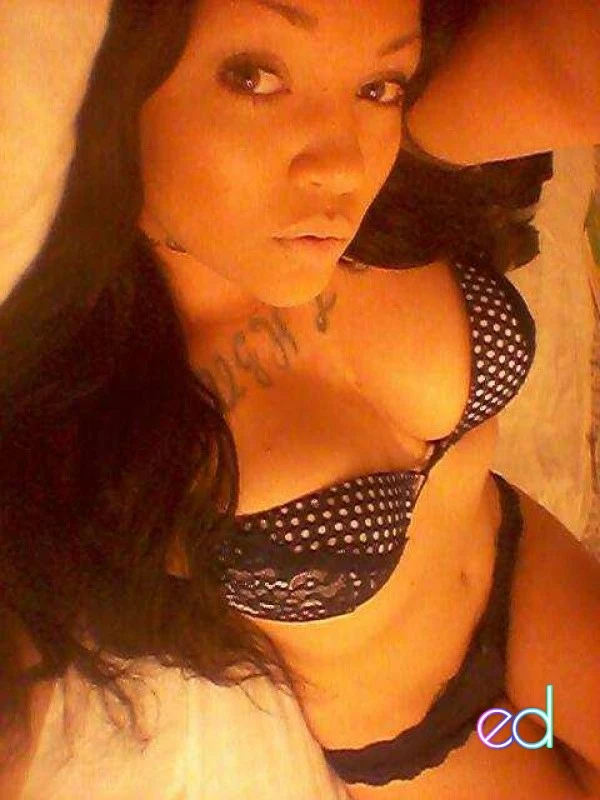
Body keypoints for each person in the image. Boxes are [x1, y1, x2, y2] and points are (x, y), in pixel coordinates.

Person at [1, 2, 599, 799]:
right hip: (436, 734)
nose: (343, 168)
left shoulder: (403, 167)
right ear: (123, 82)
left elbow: (567, 63)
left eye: (381, 85)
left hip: (526, 574)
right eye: (253, 77)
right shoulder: (101, 413)